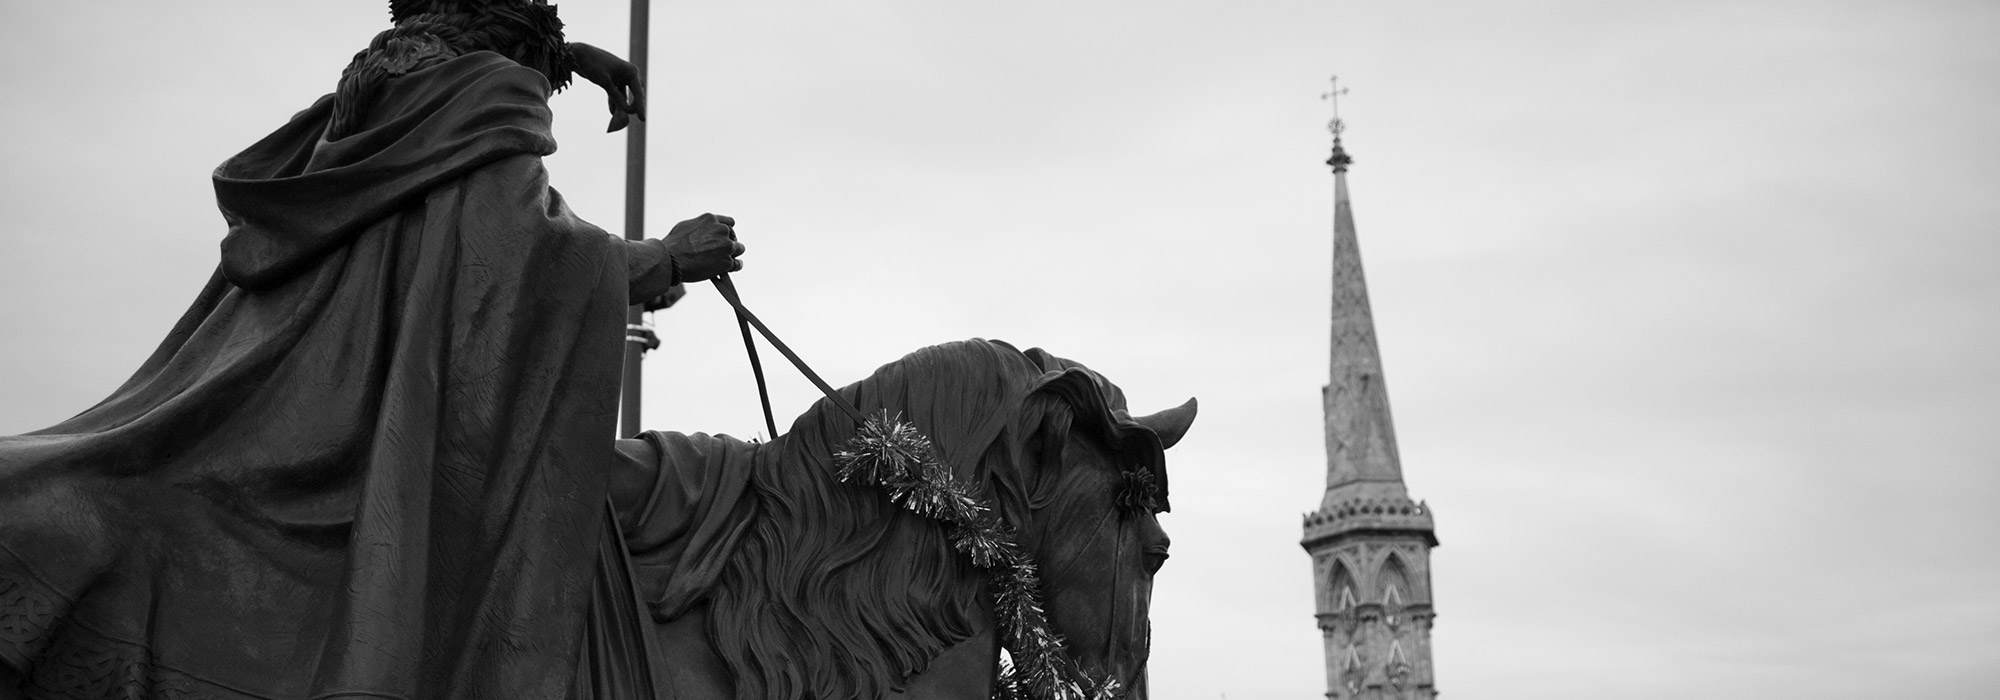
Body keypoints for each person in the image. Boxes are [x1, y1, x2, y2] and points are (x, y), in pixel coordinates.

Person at [0, 2, 736, 697]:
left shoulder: (381, 99)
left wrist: (563, 56)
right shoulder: (483, 101)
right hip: (343, 437)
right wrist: (666, 256)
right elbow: (522, 257)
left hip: (269, 409)